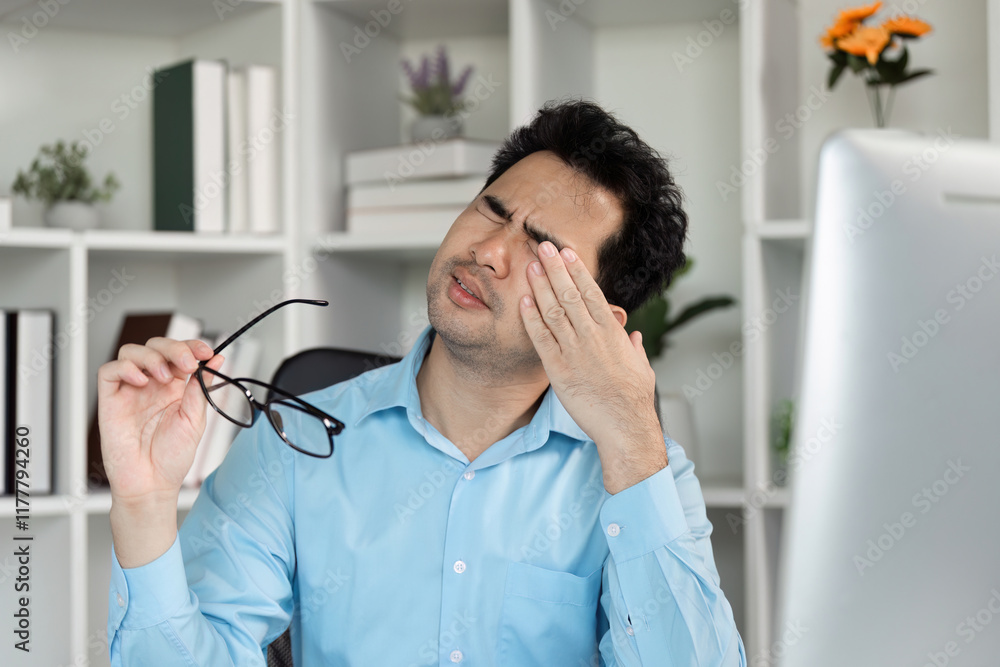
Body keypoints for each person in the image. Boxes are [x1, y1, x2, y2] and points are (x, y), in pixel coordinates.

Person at [100, 99, 747, 666]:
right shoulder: (290, 441)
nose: (488, 251)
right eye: (492, 210)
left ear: (597, 321)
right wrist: (143, 505)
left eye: (542, 248)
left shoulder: (646, 480)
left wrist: (632, 442)